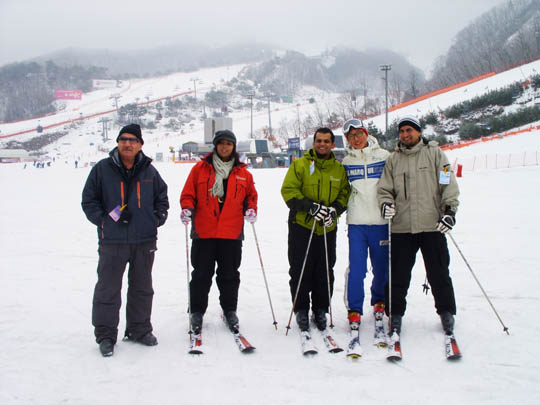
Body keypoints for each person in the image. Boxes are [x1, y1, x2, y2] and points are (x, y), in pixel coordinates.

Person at [82, 123, 169, 357]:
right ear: (118, 143)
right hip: (112, 241)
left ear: (140, 144)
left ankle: (139, 330)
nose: (127, 144)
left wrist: (158, 218)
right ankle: (106, 335)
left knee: (142, 288)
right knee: (108, 289)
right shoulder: (102, 169)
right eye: (123, 140)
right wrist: (104, 221)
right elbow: (89, 201)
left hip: (144, 240)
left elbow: (162, 197)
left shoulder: (150, 171)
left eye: (132, 140)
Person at [377, 115, 460, 337]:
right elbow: (384, 189)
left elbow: (447, 184)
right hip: (402, 227)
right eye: (402, 131)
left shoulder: (435, 154)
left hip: (431, 225)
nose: (406, 134)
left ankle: (446, 312)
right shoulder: (393, 160)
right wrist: (386, 204)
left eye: (409, 130)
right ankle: (394, 315)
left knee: (439, 272)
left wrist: (449, 211)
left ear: (419, 132)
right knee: (398, 275)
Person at [180, 129, 258, 334]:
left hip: (231, 233)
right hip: (204, 232)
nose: (225, 147)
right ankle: (196, 311)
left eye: (229, 143)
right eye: (221, 143)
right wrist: (187, 208)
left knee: (230, 275)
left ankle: (229, 310)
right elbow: (188, 194)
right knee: (201, 275)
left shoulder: (244, 174)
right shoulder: (200, 169)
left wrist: (251, 209)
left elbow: (251, 197)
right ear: (215, 146)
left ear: (234, 147)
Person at [281, 127, 350, 332]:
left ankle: (321, 308)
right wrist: (309, 207)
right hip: (302, 225)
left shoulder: (338, 169)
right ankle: (301, 309)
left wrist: (334, 210)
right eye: (319, 140)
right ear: (314, 143)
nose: (322, 144)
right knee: (300, 269)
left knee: (324, 270)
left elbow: (345, 193)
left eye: (326, 141)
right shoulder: (301, 165)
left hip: (327, 228)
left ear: (333, 144)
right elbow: (288, 190)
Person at [341, 119, 390, 335]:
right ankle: (355, 308)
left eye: (359, 134)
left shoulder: (384, 157)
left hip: (381, 222)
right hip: (357, 223)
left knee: (381, 267)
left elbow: (395, 186)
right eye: (351, 136)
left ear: (366, 133)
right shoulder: (346, 163)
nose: (356, 139)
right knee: (357, 268)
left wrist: (393, 205)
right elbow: (341, 191)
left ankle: (379, 300)